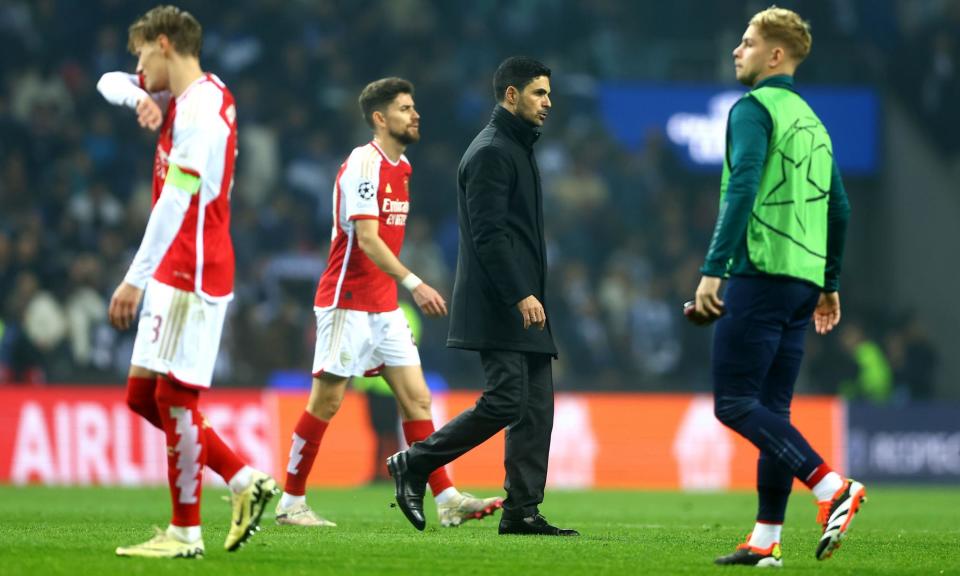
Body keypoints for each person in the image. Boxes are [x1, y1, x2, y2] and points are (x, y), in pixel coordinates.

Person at [274, 77, 501, 528]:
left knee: (418, 401)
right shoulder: (364, 164)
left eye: (414, 107)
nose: (415, 115)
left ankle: (448, 498)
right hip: (347, 301)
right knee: (326, 403)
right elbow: (368, 240)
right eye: (404, 108)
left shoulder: (404, 167)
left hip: (383, 307)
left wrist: (399, 288)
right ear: (380, 119)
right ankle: (290, 503)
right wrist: (414, 282)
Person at [98, 5, 276, 559]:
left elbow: (177, 200)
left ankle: (185, 533)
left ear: (165, 44)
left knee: (173, 399)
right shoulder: (203, 90)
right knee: (141, 396)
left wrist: (133, 279)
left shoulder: (198, 113)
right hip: (178, 264)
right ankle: (245, 481)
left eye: (141, 54)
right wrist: (139, 97)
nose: (137, 65)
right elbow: (108, 83)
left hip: (190, 268)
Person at [690, 6, 863, 567]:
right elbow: (839, 206)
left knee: (735, 403)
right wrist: (829, 283)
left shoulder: (753, 108)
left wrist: (714, 267)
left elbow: (742, 186)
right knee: (773, 411)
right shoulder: (812, 121)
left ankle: (830, 486)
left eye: (746, 42)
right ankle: (765, 539)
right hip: (802, 284)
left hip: (759, 272)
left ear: (775, 54)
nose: (736, 51)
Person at [388, 57, 577, 536]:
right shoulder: (493, 151)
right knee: (507, 401)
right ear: (510, 96)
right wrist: (520, 294)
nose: (548, 102)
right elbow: (489, 235)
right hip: (501, 302)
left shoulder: (515, 147)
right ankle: (414, 463)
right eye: (539, 93)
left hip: (523, 300)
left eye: (549, 94)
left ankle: (522, 511)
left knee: (536, 408)